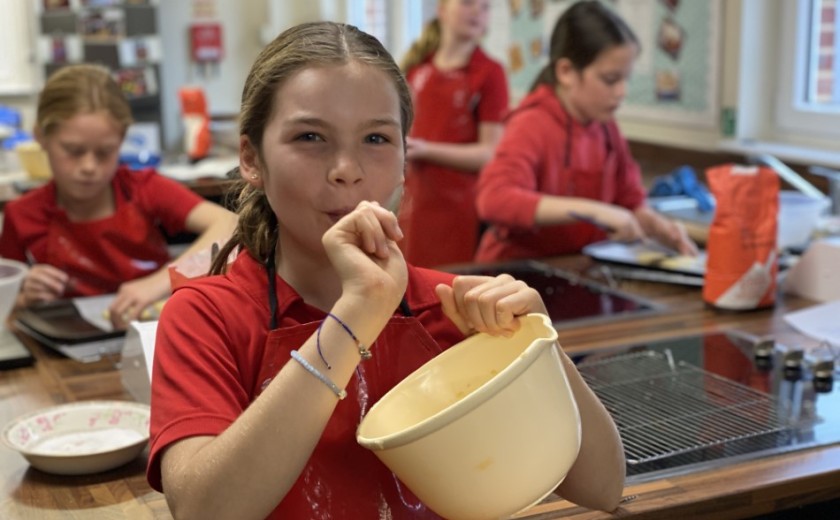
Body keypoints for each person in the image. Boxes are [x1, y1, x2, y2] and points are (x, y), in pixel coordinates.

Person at [147, 21, 625, 519]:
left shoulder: (452, 305)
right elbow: (204, 509)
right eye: (310, 136)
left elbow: (602, 487)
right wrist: (355, 317)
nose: (347, 168)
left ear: (402, 162)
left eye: (376, 138)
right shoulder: (205, 317)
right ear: (251, 158)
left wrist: (540, 346)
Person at [0, 64, 237, 327]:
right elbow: (7, 303)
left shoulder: (143, 188)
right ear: (40, 137)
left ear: (121, 139)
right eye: (73, 150)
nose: (89, 166)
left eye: (104, 152)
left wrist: (159, 282)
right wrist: (24, 296)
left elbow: (230, 224)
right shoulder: (21, 214)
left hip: (153, 333)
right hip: (65, 344)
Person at [474, 0, 697, 262]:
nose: (622, 92)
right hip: (515, 277)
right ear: (566, 72)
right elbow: (493, 199)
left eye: (626, 79)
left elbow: (629, 198)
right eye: (610, 80)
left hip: (575, 268)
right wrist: (594, 211)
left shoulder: (606, 127)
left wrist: (657, 226)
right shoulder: (532, 122)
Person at [397, 0, 509, 268]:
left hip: (461, 206)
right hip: (415, 197)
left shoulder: (490, 73)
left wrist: (426, 150)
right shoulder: (417, 67)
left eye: (485, 7)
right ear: (442, 8)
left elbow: (489, 153)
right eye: (468, 3)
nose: (477, 12)